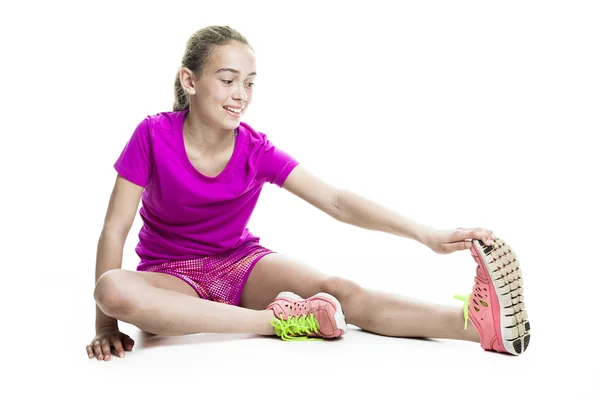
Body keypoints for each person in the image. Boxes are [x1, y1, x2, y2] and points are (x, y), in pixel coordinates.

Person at [86, 25, 530, 361]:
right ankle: (277, 321)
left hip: (241, 264)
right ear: (190, 80)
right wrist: (105, 323)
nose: (241, 94)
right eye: (227, 79)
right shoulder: (152, 135)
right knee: (114, 289)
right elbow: (114, 228)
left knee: (339, 289)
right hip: (172, 275)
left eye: (250, 82)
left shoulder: (254, 149)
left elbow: (336, 201)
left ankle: (478, 327)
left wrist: (428, 235)